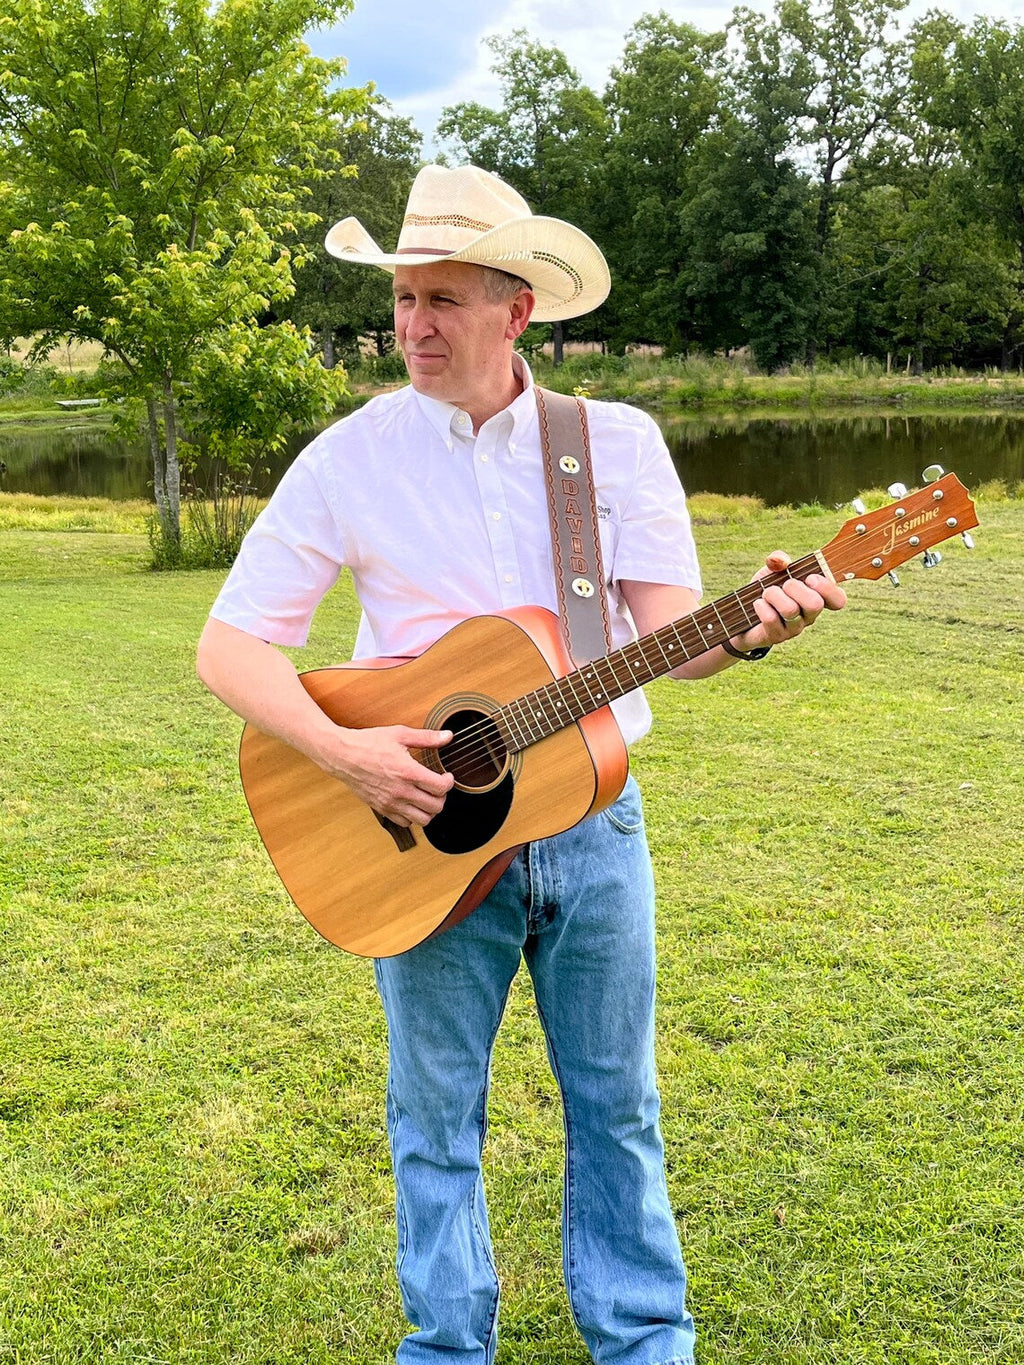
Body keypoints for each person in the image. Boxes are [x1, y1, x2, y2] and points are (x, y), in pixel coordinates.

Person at [196, 164, 847, 1365]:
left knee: (618, 1105)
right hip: (417, 832)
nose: (413, 325)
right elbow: (228, 645)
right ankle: (446, 1346)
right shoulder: (348, 458)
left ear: (518, 310)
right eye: (403, 297)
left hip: (595, 824)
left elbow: (674, 642)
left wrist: (754, 629)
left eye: (443, 298)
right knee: (433, 1116)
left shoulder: (611, 445)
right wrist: (346, 754)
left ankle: (642, 1338)